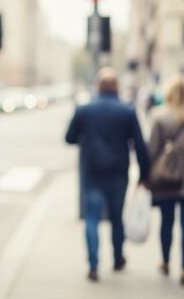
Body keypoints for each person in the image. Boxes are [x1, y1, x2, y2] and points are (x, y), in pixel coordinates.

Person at [65, 67, 151, 282]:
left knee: (92, 219)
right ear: (116, 88)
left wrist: (85, 139)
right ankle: (117, 257)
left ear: (97, 86)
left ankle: (93, 264)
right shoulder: (127, 111)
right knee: (116, 218)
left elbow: (69, 137)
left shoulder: (84, 110)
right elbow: (139, 145)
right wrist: (144, 173)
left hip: (92, 172)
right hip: (118, 173)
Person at [147, 76, 184, 285]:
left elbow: (152, 151)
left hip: (166, 179)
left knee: (166, 222)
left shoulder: (160, 117)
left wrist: (146, 176)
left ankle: (166, 260)